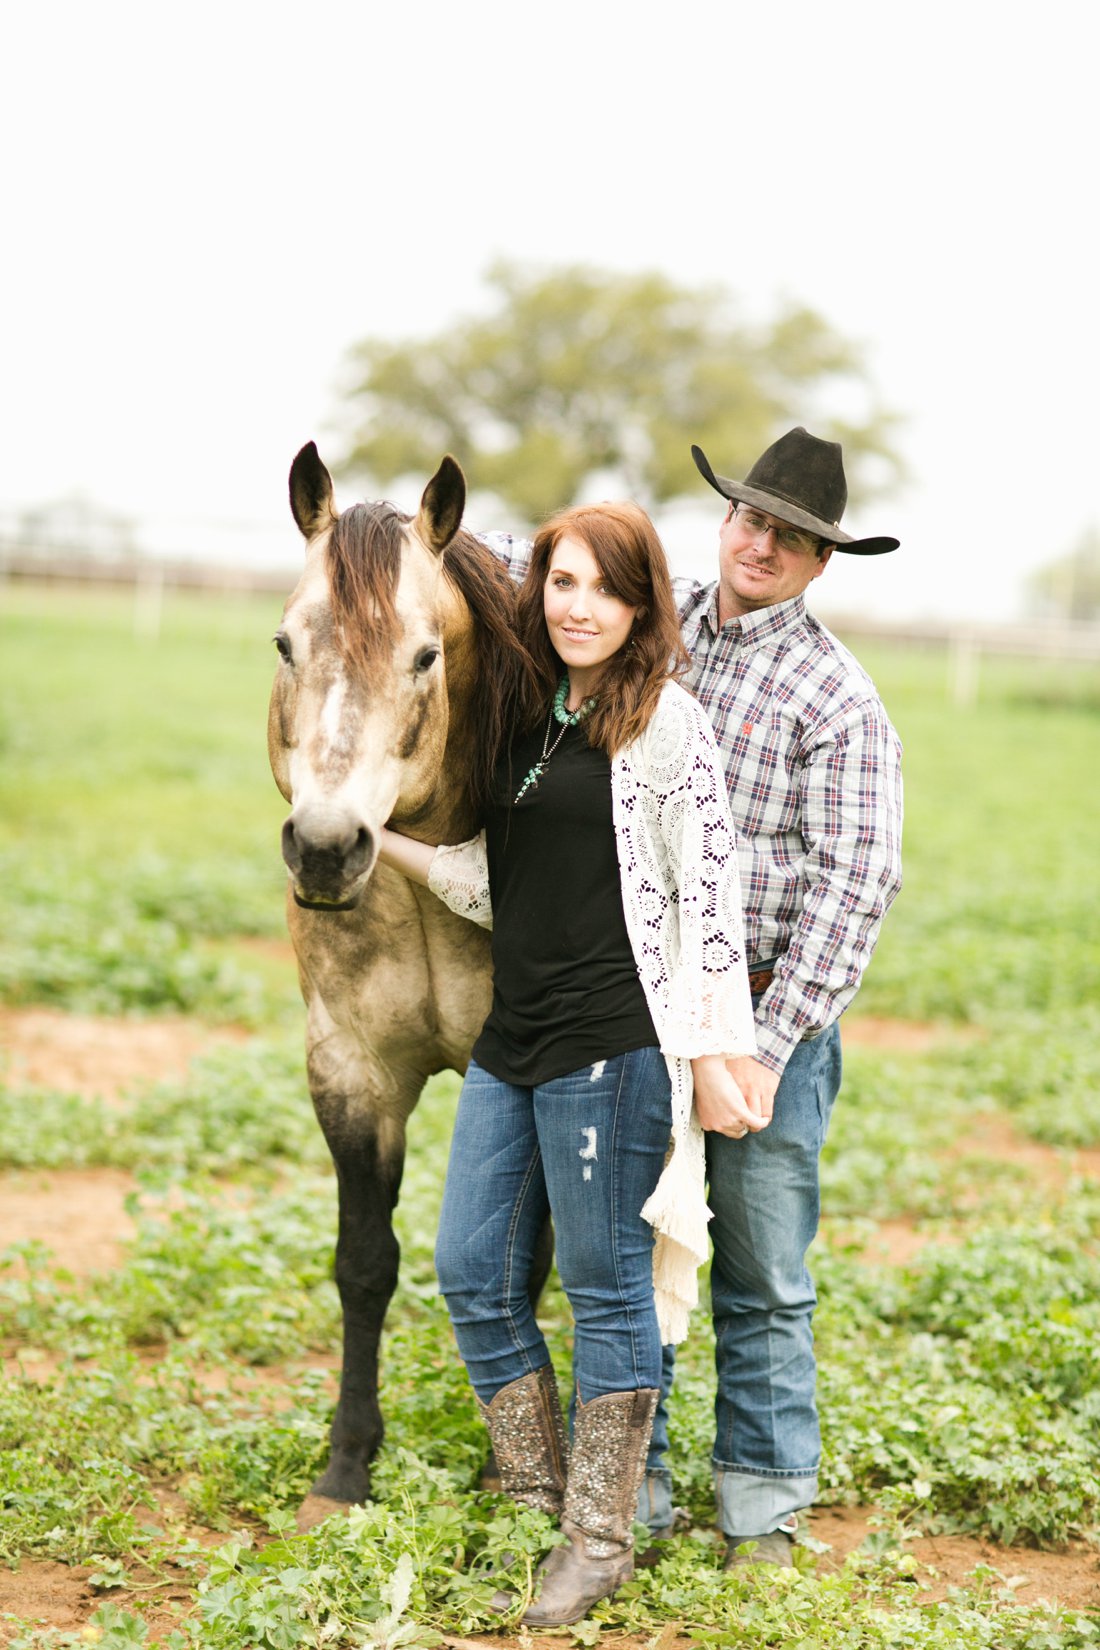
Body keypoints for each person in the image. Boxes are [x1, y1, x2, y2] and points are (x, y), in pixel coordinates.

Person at [483, 427, 903, 1570]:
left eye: (792, 534)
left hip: (766, 1017)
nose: (760, 541)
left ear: (822, 560)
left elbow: (852, 885)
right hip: (637, 1014)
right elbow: (540, 568)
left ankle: (760, 1512)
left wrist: (760, 1048)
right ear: (722, 521)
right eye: (749, 517)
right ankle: (641, 1484)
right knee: (625, 1254)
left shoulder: (835, 698)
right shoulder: (659, 635)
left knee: (761, 1273)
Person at [377, 500, 759, 1625]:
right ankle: (540, 1495)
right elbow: (501, 885)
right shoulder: (521, 717)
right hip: (514, 1042)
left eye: (603, 587)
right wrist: (381, 840)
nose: (577, 605)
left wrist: (707, 1049)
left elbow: (708, 900)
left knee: (602, 1293)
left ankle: (597, 1537)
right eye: (560, 583)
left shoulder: (665, 725)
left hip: (614, 1044)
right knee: (469, 1272)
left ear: (641, 604)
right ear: (536, 593)